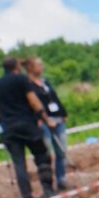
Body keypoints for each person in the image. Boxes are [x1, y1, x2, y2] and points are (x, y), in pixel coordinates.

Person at [0, 57, 55, 198]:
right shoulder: (21, 79)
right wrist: (46, 118)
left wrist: (0, 124)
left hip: (9, 129)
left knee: (19, 163)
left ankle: (27, 196)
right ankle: (47, 189)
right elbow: (33, 100)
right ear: (17, 66)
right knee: (41, 155)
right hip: (27, 124)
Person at [23, 57, 70, 190]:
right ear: (31, 67)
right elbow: (31, 103)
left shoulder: (45, 82)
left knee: (61, 151)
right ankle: (48, 184)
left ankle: (62, 180)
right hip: (42, 121)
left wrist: (63, 112)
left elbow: (54, 97)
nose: (41, 67)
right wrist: (37, 118)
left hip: (57, 119)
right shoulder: (28, 85)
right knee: (46, 153)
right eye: (39, 65)